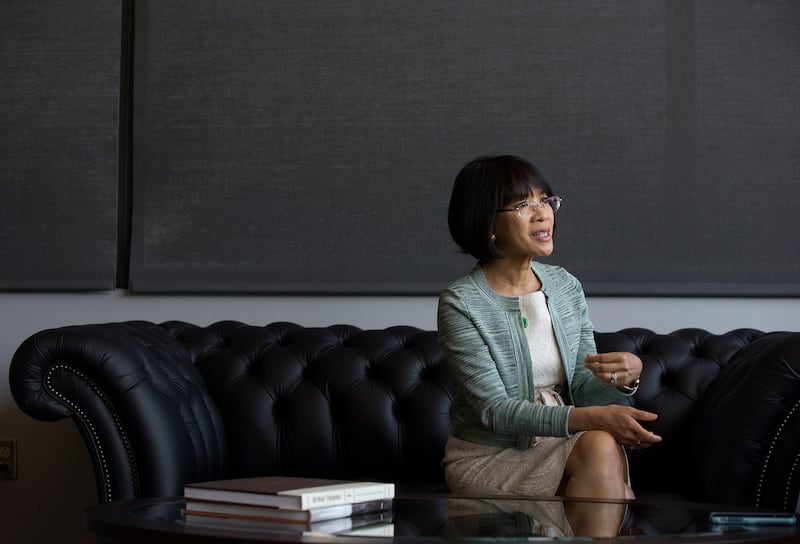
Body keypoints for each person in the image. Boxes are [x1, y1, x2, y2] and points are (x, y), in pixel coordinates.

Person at [437, 155, 662, 536]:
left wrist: (622, 379)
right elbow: (494, 410)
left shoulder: (564, 286)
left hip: (561, 444)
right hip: (490, 457)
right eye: (524, 205)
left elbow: (581, 387)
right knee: (600, 447)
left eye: (546, 200)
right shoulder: (461, 302)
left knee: (599, 446)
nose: (542, 214)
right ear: (487, 223)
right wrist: (591, 419)